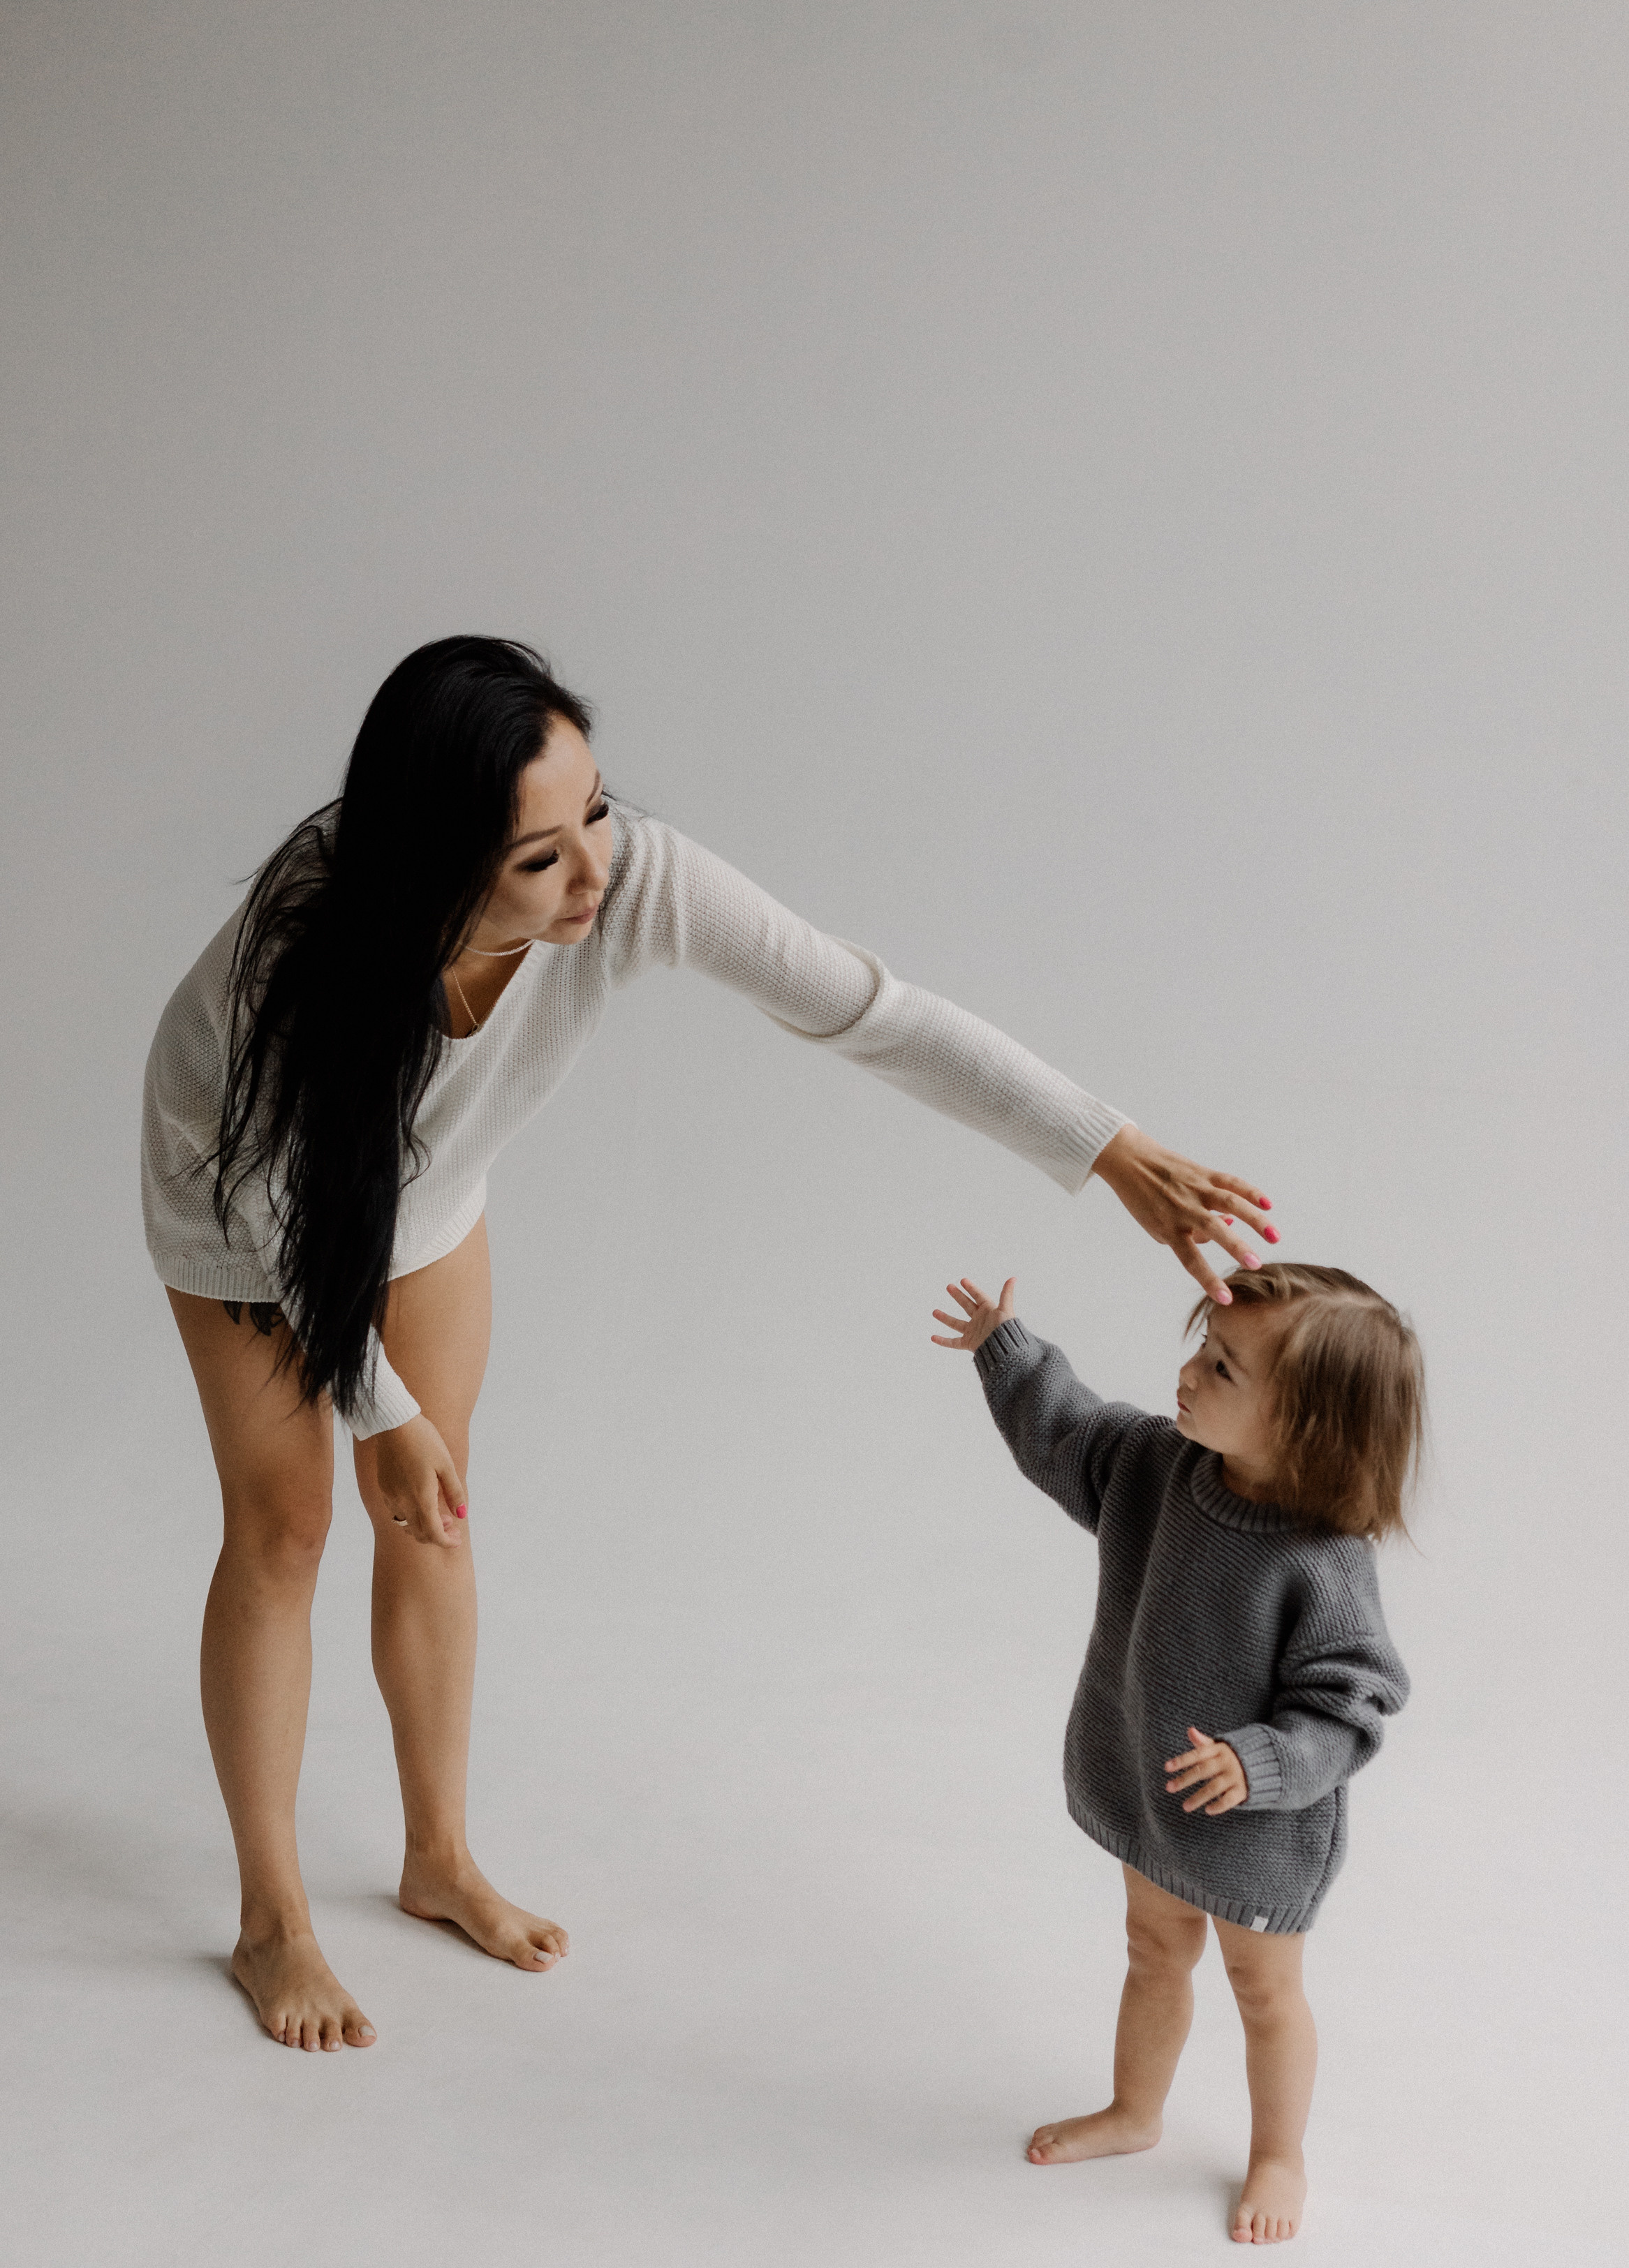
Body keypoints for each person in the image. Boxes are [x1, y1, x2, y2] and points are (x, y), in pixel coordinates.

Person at [144, 633, 1277, 2054]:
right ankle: (272, 1924)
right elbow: (282, 1202)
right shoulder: (297, 956)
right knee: (290, 1524)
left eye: (597, 814)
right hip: (242, 1200)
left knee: (434, 1507)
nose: (598, 875)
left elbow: (873, 1011)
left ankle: (437, 1857)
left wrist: (1105, 1148)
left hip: (425, 1187)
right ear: (434, 864)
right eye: (539, 861)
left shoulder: (632, 882)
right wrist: (375, 1404)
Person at [931, 1260, 1421, 2243]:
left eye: (1226, 1370)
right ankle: (1133, 2113)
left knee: (1264, 1991)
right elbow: (1067, 1431)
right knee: (1153, 1950)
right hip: (1152, 1789)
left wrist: (1264, 1764)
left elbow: (1352, 1704)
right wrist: (1005, 1351)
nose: (1190, 1374)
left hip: (1256, 1831)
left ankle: (1278, 2155)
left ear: (1307, 1429)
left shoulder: (1319, 1562)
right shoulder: (1157, 1466)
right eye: (1204, 1349)